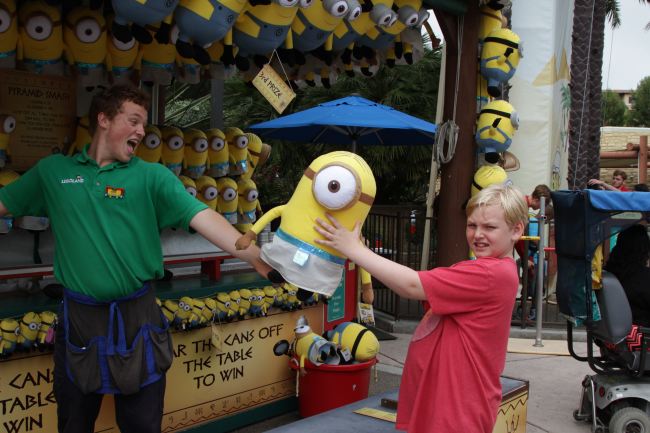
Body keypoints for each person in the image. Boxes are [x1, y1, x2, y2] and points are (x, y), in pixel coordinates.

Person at [0, 85, 275, 433]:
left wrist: (255, 257)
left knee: (142, 425)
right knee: (74, 423)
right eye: (133, 121)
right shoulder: (54, 172)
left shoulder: (152, 176)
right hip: (80, 320)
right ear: (103, 119)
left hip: (137, 318)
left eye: (143, 124)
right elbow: (4, 203)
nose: (142, 131)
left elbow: (203, 217)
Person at [314, 183, 528, 433]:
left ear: (516, 230)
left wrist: (354, 250)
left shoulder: (490, 274)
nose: (478, 234)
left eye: (489, 227)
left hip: (456, 410)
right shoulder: (489, 271)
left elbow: (412, 285)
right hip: (446, 403)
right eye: (472, 225)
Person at [605, 224, 650, 327]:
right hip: (641, 332)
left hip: (612, 330)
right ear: (644, 249)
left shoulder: (608, 272)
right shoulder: (644, 277)